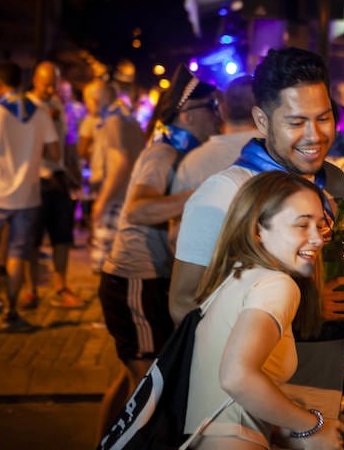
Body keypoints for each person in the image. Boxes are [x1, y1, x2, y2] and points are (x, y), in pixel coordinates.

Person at [171, 47, 344, 430]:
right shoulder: (223, 193)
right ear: (262, 120)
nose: (315, 135)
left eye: (324, 118)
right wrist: (299, 315)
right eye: (296, 122)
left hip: (326, 369)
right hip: (248, 400)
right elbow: (183, 304)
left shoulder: (333, 181)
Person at [96, 67, 219, 441]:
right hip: (135, 279)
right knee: (148, 386)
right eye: (210, 106)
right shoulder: (163, 151)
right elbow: (138, 209)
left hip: (145, 279)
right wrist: (204, 195)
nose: (217, 114)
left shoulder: (176, 149)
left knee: (133, 378)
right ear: (188, 114)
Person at [184, 170, 341, 449]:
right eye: (302, 225)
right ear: (257, 230)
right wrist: (312, 427)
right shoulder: (277, 285)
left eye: (320, 225)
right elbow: (236, 377)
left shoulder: (234, 277)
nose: (317, 239)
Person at [0, 62, 60, 332]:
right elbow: (55, 154)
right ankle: (11, 312)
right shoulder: (40, 113)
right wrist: (31, 151)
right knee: (17, 253)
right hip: (28, 196)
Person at [169, 75, 258, 249]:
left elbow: (177, 235)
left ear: (222, 110)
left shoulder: (193, 161)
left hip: (206, 271)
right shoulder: (281, 155)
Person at [25, 61, 85, 309]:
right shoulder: (26, 106)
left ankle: (61, 286)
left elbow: (68, 141)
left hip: (58, 178)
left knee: (62, 236)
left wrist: (74, 169)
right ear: (35, 80)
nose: (50, 89)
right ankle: (31, 288)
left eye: (54, 83)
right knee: (33, 238)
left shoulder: (59, 105)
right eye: (46, 84)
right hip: (35, 179)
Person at [83, 79, 144, 274]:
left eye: (86, 101)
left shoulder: (113, 121)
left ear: (94, 100)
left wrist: (102, 201)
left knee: (106, 269)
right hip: (131, 196)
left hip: (116, 199)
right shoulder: (128, 118)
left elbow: (120, 163)